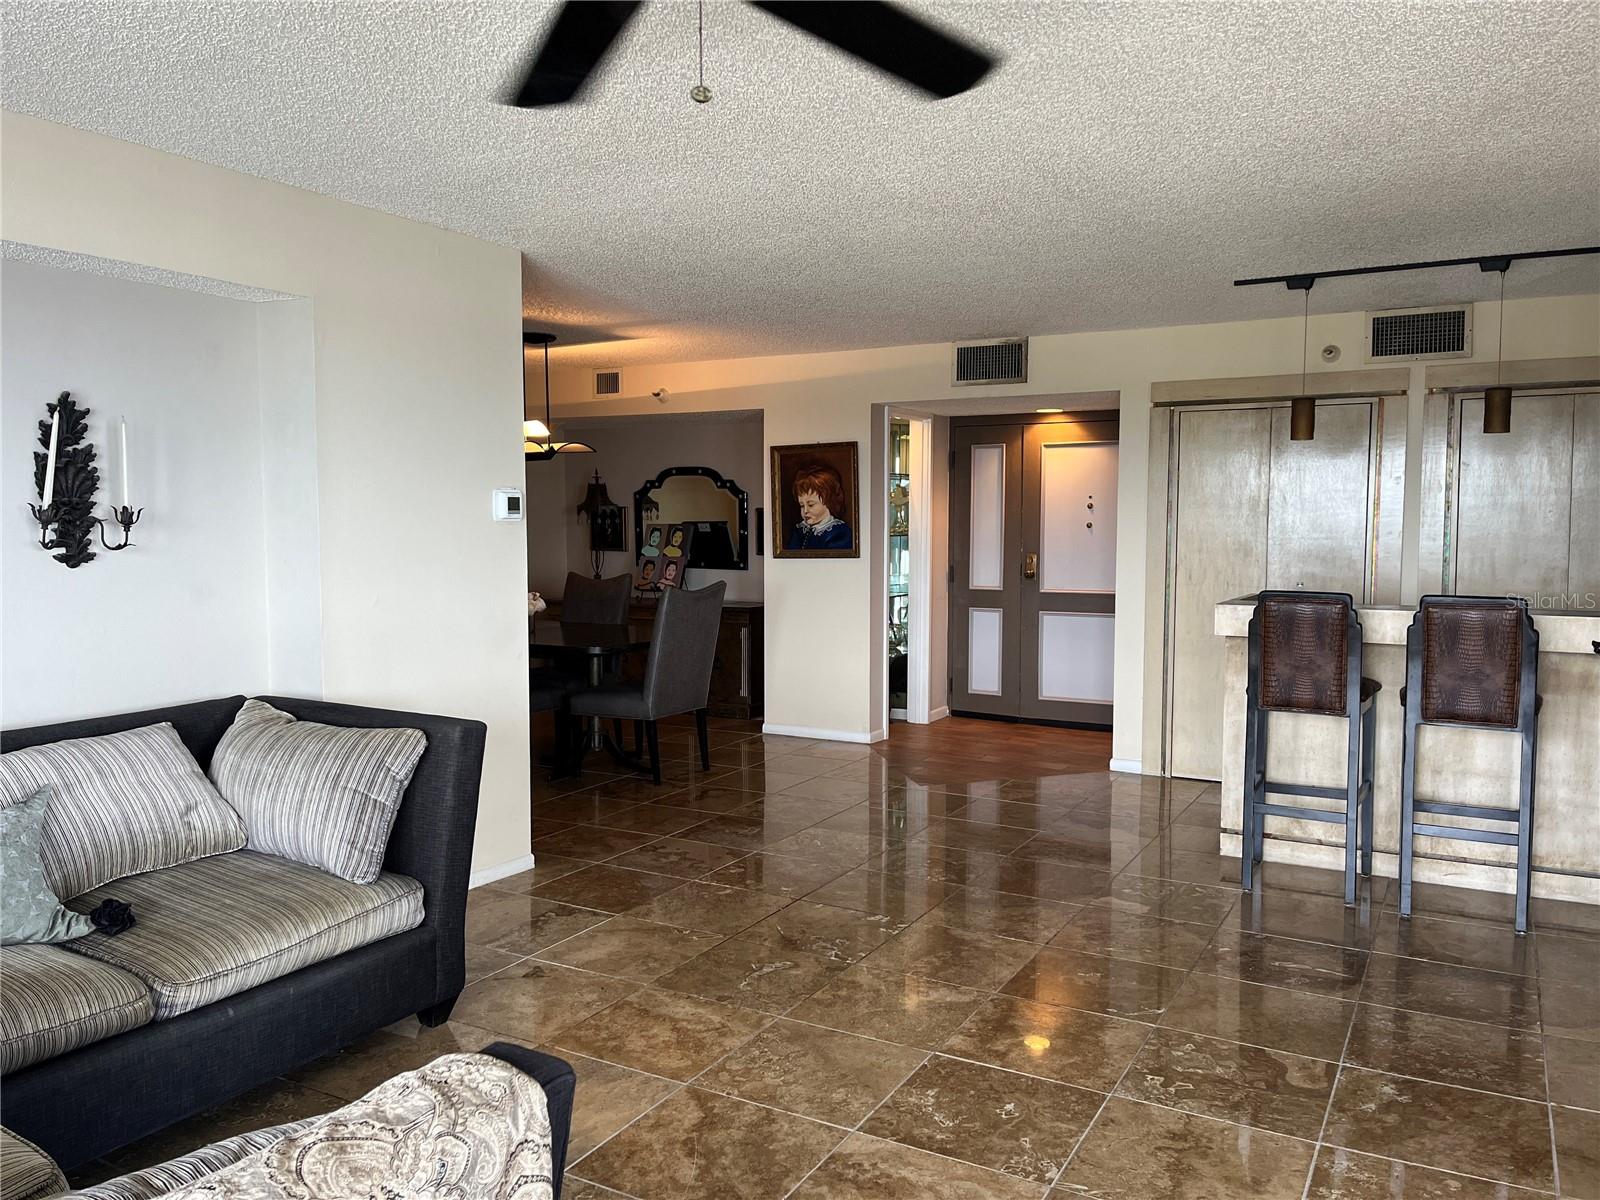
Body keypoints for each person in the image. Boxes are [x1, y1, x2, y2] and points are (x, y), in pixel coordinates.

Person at [786, 462, 853, 551]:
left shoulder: (840, 532)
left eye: (811, 505)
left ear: (828, 501)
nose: (805, 510)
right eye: (802, 505)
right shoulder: (799, 530)